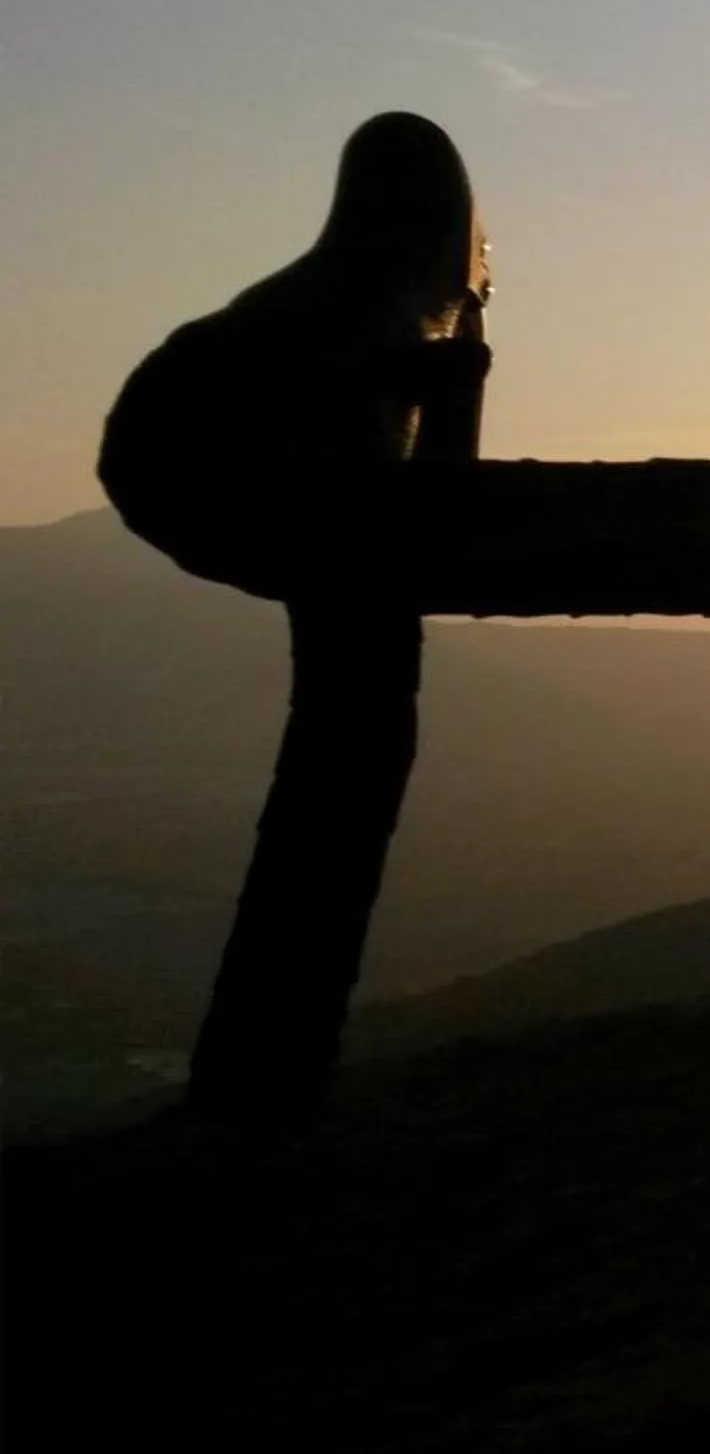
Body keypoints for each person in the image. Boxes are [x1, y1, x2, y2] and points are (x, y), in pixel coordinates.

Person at [97, 111, 490, 1127]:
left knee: (347, 735)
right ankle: (262, 1088)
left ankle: (257, 1079)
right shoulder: (370, 317)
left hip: (183, 463)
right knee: (356, 731)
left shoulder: (319, 304)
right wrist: (463, 378)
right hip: (232, 478)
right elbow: (429, 514)